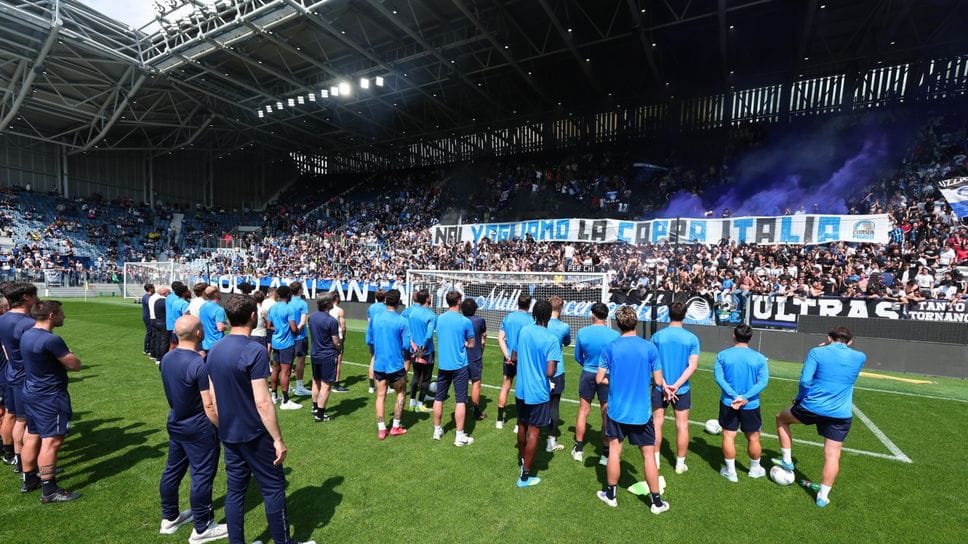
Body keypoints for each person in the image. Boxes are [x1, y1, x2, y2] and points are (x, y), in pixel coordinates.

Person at [206, 294, 314, 544]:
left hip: (230, 433)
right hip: (254, 433)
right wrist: (278, 439)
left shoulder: (214, 349)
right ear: (253, 317)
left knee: (235, 491)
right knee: (273, 487)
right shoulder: (253, 350)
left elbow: (211, 399)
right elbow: (263, 401)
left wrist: (224, 426)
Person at [774, 326, 866, 507]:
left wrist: (799, 399)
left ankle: (787, 459)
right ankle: (822, 497)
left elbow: (805, 380)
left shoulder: (817, 352)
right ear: (850, 341)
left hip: (812, 406)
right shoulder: (860, 357)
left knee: (781, 418)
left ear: (829, 337)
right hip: (841, 413)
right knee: (833, 455)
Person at [158, 315, 228, 542]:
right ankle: (203, 527)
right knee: (201, 475)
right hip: (198, 428)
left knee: (172, 471)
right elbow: (209, 403)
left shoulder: (167, 358)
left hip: (177, 423)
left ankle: (169, 517)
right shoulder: (198, 364)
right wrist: (221, 428)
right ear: (199, 333)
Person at [595, 306, 669, 514]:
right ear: (635, 322)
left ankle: (611, 495)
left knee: (614, 453)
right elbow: (658, 381)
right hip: (641, 413)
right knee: (648, 455)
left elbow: (599, 378)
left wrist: (615, 379)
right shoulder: (649, 348)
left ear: (618, 324)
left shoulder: (610, 347)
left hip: (617, 411)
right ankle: (656, 502)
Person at [19, 300, 81, 503]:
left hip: (31, 392)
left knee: (33, 434)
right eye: (61, 313)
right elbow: (74, 365)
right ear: (52, 316)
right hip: (49, 396)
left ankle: (29, 478)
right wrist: (72, 356)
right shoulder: (51, 340)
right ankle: (49, 488)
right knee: (52, 441)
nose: (64, 316)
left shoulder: (27, 334)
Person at [510, 299, 560, 488]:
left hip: (521, 388)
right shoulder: (551, 339)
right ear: (549, 316)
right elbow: (550, 372)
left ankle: (523, 459)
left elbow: (513, 356)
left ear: (533, 314)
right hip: (538, 391)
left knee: (522, 424)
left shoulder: (524, 331)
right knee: (534, 431)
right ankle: (526, 475)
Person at [713, 324, 769, 483]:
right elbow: (763, 382)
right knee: (753, 437)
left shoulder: (722, 355)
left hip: (728, 403)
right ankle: (754, 469)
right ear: (750, 338)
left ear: (734, 336)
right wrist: (745, 397)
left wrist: (734, 396)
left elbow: (719, 378)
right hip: (750, 404)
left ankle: (731, 472)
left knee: (728, 436)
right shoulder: (759, 358)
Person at [650, 301, 700, 474]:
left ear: (668, 314)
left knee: (657, 424)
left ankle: (655, 461)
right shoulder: (691, 338)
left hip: (660, 387)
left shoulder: (657, 336)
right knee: (682, 426)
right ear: (685, 315)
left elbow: (652, 364)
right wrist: (675, 386)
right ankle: (680, 464)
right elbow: (692, 366)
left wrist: (664, 385)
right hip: (681, 389)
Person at [0, 282, 38, 489]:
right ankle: (29, 467)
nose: (36, 299)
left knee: (18, 419)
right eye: (34, 295)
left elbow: (6, 349)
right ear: (26, 297)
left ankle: (17, 458)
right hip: (28, 378)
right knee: (30, 426)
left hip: (12, 374)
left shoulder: (3, 318)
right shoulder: (26, 323)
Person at [572, 302, 619, 464]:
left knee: (583, 410)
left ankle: (578, 448)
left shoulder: (583, 332)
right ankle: (605, 453)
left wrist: (588, 365)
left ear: (593, 314)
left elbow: (578, 356)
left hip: (588, 373)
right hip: (606, 376)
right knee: (605, 411)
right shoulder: (614, 335)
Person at [431, 291, 475, 447]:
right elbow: (472, 344)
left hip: (444, 364)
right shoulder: (465, 321)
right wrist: (464, 344)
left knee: (439, 397)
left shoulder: (440, 319)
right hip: (459, 365)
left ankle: (437, 430)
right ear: (458, 302)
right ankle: (459, 436)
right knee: (461, 400)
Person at [366, 289, 409, 440]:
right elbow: (406, 346)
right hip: (395, 364)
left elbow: (369, 340)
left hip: (379, 364)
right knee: (401, 393)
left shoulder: (376, 318)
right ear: (398, 302)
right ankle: (395, 426)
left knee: (380, 395)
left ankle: (382, 429)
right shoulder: (402, 321)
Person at [496, 294, 534, 430]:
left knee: (505, 385)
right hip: (523, 359)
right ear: (529, 305)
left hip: (509, 358)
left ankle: (499, 419)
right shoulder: (530, 321)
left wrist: (507, 355)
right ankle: (519, 423)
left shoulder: (508, 317)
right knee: (522, 389)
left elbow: (500, 338)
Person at [308, 295, 341, 422]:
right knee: (326, 384)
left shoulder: (312, 317)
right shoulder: (331, 321)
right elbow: (335, 340)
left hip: (315, 353)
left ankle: (315, 407)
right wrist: (339, 349)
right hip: (327, 355)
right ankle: (320, 414)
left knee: (316, 381)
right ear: (327, 304)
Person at [267, 285, 301, 410]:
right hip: (286, 344)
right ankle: (286, 400)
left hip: (275, 342)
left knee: (275, 369)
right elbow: (293, 328)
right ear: (288, 295)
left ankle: (274, 396)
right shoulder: (289, 308)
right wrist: (297, 331)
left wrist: (278, 330)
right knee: (286, 371)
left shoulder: (273, 307)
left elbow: (269, 325)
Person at [545, 296, 571, 453]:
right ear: (560, 308)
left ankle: (528, 431)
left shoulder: (540, 324)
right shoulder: (564, 326)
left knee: (537, 402)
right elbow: (567, 342)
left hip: (540, 368)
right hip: (556, 369)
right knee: (554, 404)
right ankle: (551, 441)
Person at [407, 290, 437, 413]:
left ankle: (411, 402)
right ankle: (420, 404)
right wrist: (423, 348)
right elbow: (429, 335)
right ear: (426, 299)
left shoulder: (412, 312)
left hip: (414, 349)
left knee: (416, 375)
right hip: (427, 351)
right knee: (426, 378)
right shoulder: (431, 315)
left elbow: (408, 330)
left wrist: (412, 344)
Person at [460, 298, 487, 420]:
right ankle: (476, 410)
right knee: (476, 382)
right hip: (475, 356)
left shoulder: (459, 320)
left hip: (461, 356)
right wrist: (481, 350)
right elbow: (483, 337)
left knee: (462, 383)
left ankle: (462, 408)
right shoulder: (479, 321)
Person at [288, 282, 311, 397]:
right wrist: (296, 331)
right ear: (300, 290)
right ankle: (299, 387)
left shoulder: (287, 302)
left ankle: (286, 386)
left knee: (287, 362)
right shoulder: (302, 303)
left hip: (288, 336)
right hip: (300, 336)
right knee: (300, 361)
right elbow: (302, 322)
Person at [366, 289, 388, 394]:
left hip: (372, 335)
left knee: (373, 359)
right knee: (384, 359)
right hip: (382, 336)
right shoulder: (386, 308)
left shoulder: (371, 307)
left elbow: (369, 322)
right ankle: (385, 384)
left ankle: (371, 386)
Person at [327, 292, 349, 393]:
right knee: (338, 361)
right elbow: (343, 326)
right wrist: (343, 336)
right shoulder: (339, 310)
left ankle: (327, 380)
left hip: (326, 338)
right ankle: (336, 383)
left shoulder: (326, 309)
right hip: (337, 337)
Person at [198, 286, 226, 355]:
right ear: (216, 294)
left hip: (205, 343)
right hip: (216, 343)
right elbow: (220, 328)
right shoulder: (219, 309)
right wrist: (227, 326)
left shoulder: (202, 307)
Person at [166, 281, 187, 353]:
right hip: (178, 326)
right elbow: (185, 316)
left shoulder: (170, 297)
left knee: (172, 345)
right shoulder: (183, 302)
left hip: (171, 323)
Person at [151, 287, 171, 363]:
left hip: (157, 322)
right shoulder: (165, 302)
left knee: (158, 340)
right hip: (163, 323)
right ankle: (163, 358)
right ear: (165, 293)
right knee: (164, 342)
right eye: (168, 292)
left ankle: (158, 357)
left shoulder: (157, 301)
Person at [142, 283, 155, 355]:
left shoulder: (148, 296)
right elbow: (149, 302)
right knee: (149, 332)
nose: (154, 289)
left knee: (151, 332)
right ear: (150, 289)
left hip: (148, 316)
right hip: (148, 317)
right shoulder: (147, 297)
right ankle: (146, 349)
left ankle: (149, 348)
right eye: (153, 287)